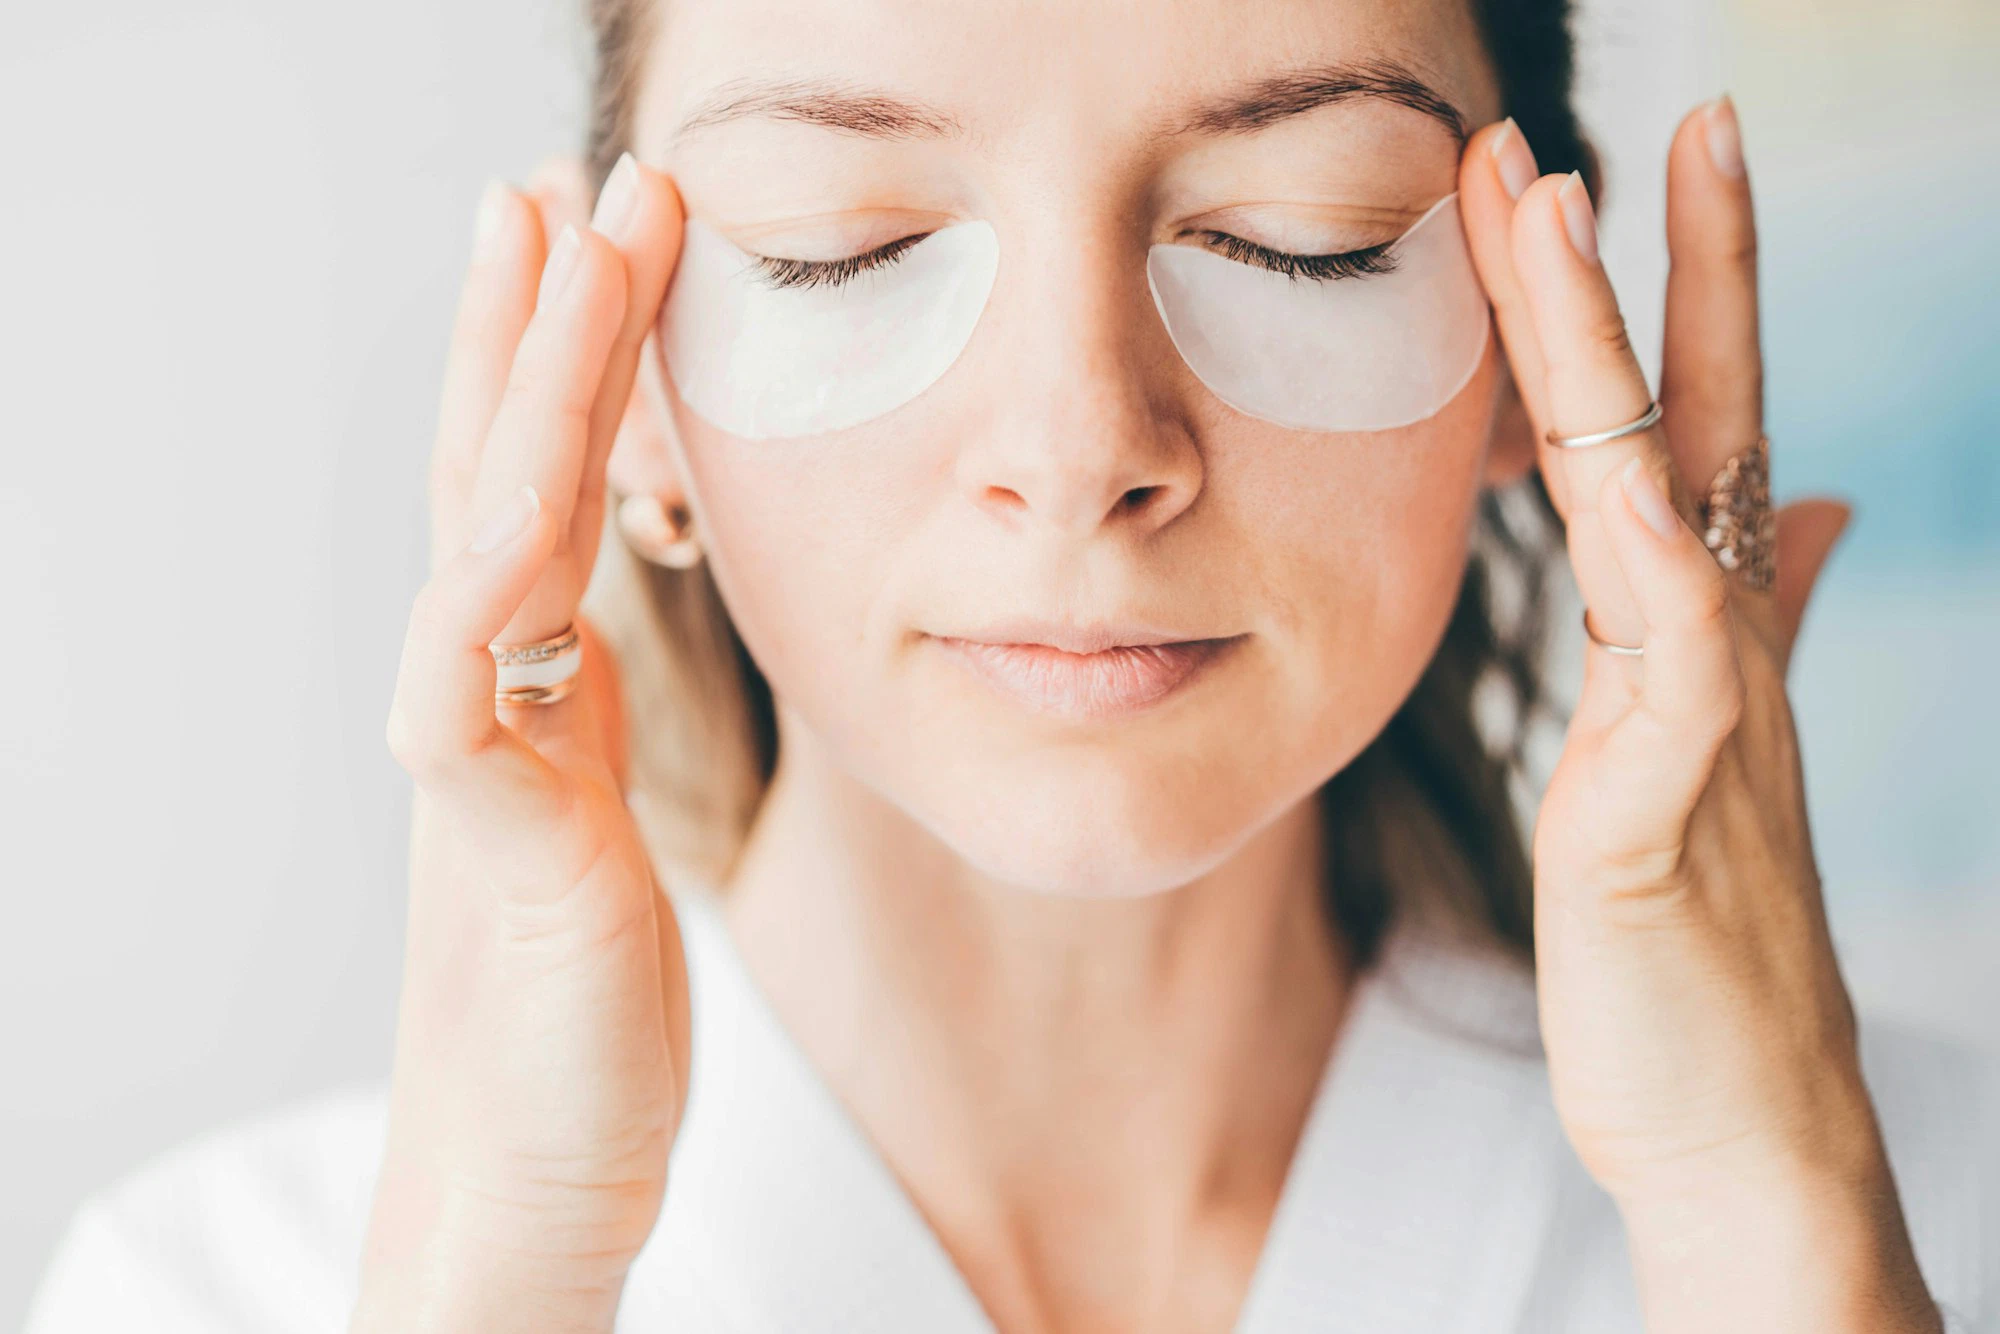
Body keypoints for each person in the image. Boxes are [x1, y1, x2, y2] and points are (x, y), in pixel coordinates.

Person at [26, 0, 1997, 1330]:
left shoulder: (1915, 1218)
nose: (1078, 441)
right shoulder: (214, 1290)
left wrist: (1778, 1231)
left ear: (1529, 311)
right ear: (608, 375)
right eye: (844, 247)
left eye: (1295, 236)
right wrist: (499, 1261)